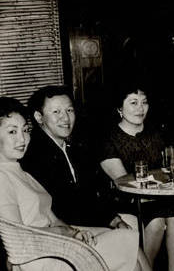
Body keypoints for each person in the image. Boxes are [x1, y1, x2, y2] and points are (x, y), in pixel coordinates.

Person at [0, 96, 150, 271]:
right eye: (12, 132)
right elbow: (18, 239)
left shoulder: (19, 171)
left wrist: (73, 232)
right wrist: (68, 234)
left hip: (57, 245)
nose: (22, 139)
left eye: (25, 130)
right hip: (41, 257)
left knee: (128, 245)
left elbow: (53, 219)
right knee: (126, 245)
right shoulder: (2, 177)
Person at [99, 81, 174, 271]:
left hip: (158, 198)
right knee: (157, 220)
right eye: (133, 102)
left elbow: (168, 171)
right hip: (126, 200)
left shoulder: (156, 134)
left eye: (144, 102)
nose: (140, 108)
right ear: (119, 108)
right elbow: (125, 183)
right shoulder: (109, 140)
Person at [21, 85, 129, 229]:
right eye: (56, 112)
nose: (65, 118)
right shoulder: (34, 154)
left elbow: (89, 192)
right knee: (129, 236)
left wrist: (113, 219)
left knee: (134, 225)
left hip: (83, 220)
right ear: (39, 117)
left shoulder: (72, 148)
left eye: (69, 110)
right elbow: (62, 206)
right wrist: (108, 221)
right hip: (64, 229)